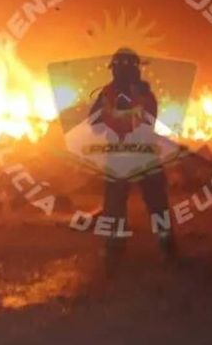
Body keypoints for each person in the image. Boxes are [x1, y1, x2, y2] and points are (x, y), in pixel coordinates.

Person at [89, 48, 176, 270]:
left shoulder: (118, 95)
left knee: (119, 205)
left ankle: (114, 249)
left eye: (120, 68)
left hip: (127, 156)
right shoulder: (138, 95)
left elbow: (96, 126)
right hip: (141, 155)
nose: (119, 73)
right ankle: (164, 246)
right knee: (153, 204)